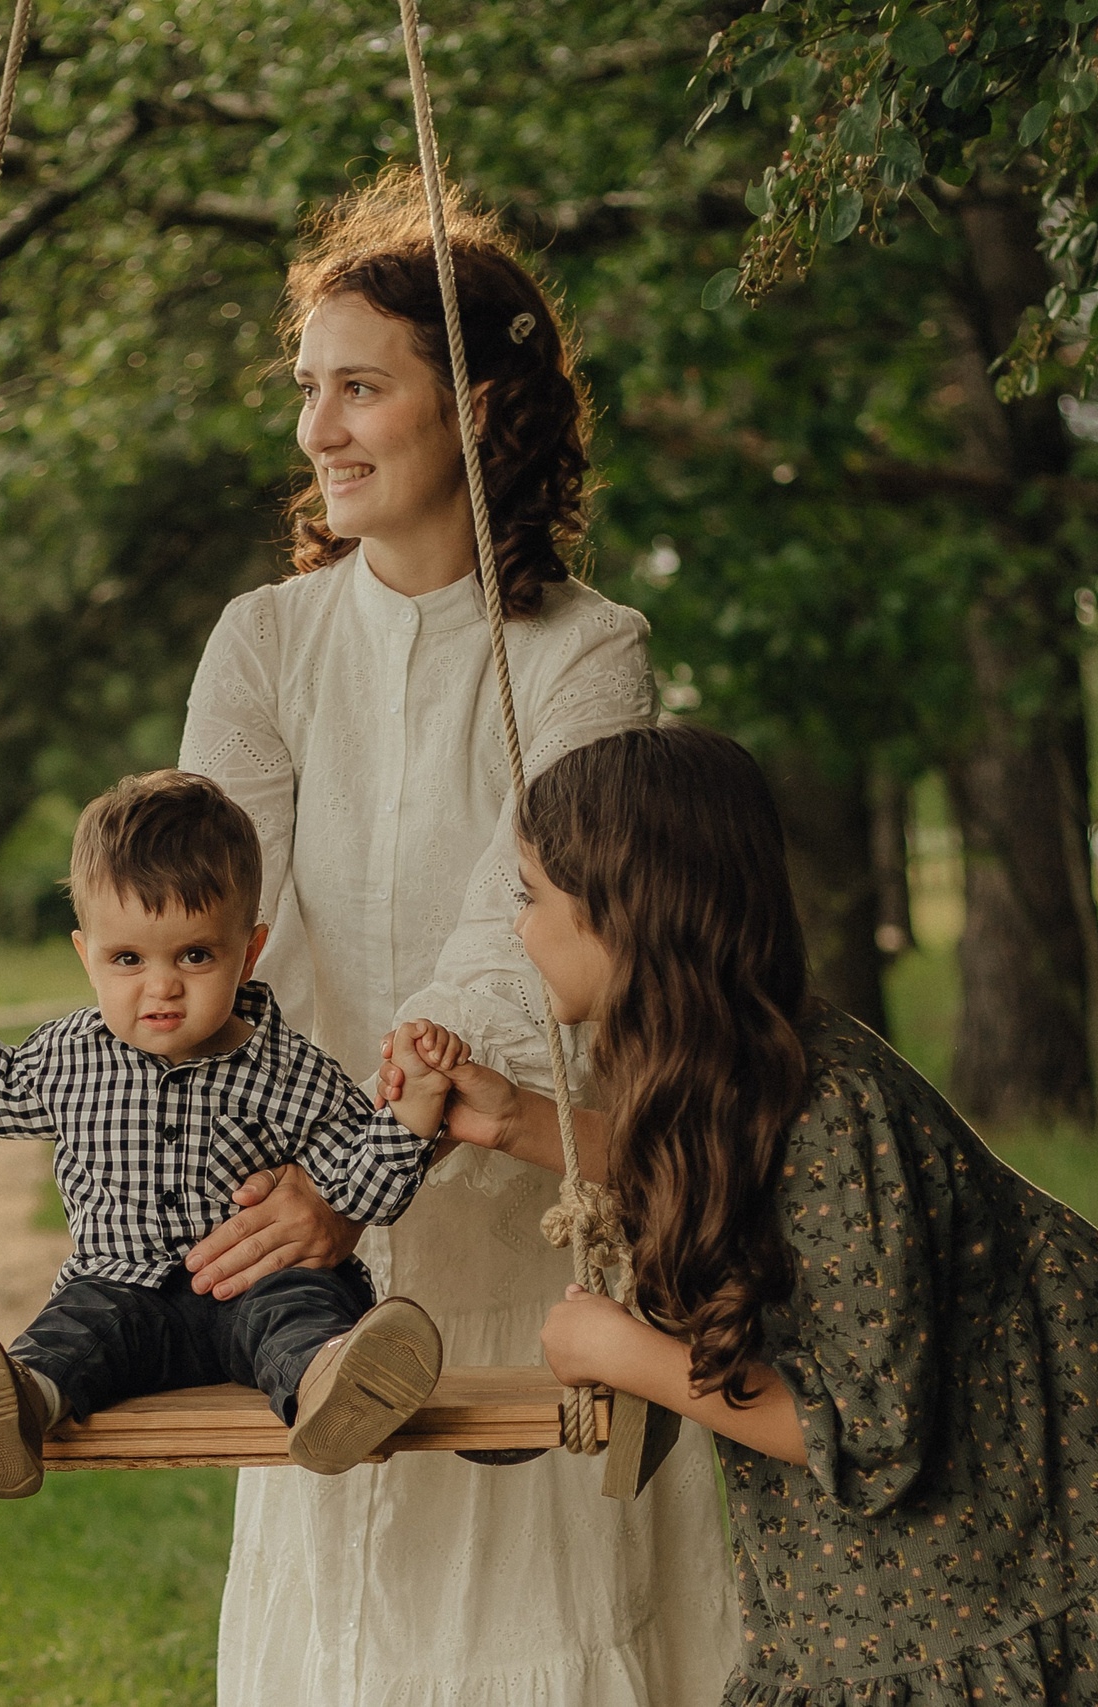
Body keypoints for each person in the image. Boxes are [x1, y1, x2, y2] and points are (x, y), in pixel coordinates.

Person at [392, 723, 1098, 1706]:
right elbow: (731, 1170)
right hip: (938, 1527)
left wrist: (622, 1351)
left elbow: (870, 1432)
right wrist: (519, 1122)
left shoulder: (835, 1112)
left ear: (625, 912)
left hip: (1054, 1477)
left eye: (532, 897)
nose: (520, 927)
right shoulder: (729, 1058)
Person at [176, 172, 739, 1703]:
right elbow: (221, 933)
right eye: (308, 389)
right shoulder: (264, 642)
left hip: (517, 1230)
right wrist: (292, 1169)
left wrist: (369, 1166)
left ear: (476, 406)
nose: (319, 428)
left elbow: (518, 943)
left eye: (360, 387)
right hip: (304, 1239)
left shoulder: (586, 654)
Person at [0, 769, 467, 1497]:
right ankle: (18, 1405)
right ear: (87, 956)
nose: (161, 985)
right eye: (128, 959)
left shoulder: (291, 1070)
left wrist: (414, 1110)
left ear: (248, 951)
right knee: (76, 1332)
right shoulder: (72, 1056)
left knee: (301, 1313)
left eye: (195, 955)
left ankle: (334, 1388)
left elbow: (359, 1187)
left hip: (259, 1286)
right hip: (122, 1289)